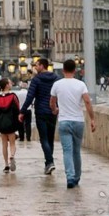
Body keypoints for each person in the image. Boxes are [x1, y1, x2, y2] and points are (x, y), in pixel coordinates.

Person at [50, 59, 96, 188]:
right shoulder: (81, 84)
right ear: (74, 70)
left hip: (64, 121)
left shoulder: (57, 85)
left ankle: (69, 177)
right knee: (76, 151)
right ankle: (77, 177)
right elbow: (87, 102)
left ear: (63, 70)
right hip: (78, 121)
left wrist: (55, 110)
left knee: (67, 151)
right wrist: (92, 119)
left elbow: (52, 102)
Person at [20, 58, 60, 175]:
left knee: (44, 139)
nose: (35, 68)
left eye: (37, 65)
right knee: (50, 138)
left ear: (42, 66)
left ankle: (49, 161)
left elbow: (30, 97)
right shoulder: (56, 79)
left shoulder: (36, 79)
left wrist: (22, 111)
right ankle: (48, 163)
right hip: (53, 112)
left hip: (41, 112)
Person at [0, 78, 21, 173]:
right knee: (12, 143)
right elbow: (18, 109)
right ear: (7, 85)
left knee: (4, 144)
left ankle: (6, 165)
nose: (11, 83)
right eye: (10, 82)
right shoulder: (13, 96)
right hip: (11, 123)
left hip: (1, 124)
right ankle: (12, 156)